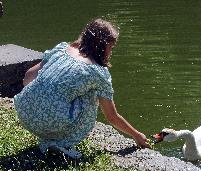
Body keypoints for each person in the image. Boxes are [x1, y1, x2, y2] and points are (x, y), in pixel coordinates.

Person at [14, 18, 151, 159]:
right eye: (111, 47)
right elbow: (111, 117)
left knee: (60, 87)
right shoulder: (97, 73)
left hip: (24, 113)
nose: (111, 51)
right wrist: (136, 135)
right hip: (50, 124)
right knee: (91, 94)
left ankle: (50, 137)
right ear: (103, 46)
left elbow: (28, 77)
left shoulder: (61, 50)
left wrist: (42, 98)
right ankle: (61, 142)